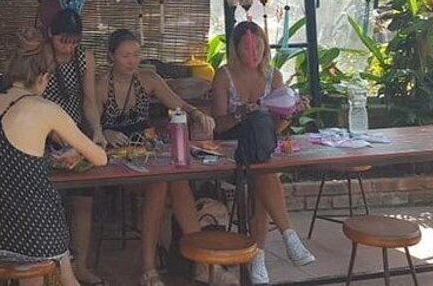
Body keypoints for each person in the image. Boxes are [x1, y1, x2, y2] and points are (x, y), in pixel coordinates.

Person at [0, 28, 108, 286]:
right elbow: (99, 158)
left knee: (64, 274)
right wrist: (78, 150)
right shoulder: (45, 109)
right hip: (37, 226)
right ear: (43, 78)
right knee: (62, 273)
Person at [95, 29, 234, 286]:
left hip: (147, 154)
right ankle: (150, 268)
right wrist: (104, 131)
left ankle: (200, 264)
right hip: (116, 162)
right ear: (111, 56)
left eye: (136, 55)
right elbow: (88, 125)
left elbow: (179, 103)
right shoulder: (101, 86)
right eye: (125, 56)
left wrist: (197, 114)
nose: (132, 61)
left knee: (174, 180)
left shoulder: (147, 79)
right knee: (161, 181)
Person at [211, 21, 315, 285]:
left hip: (260, 151)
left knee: (262, 160)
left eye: (258, 46)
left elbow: (276, 127)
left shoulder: (274, 76)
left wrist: (291, 112)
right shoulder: (224, 76)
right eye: (246, 48)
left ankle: (259, 258)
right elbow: (218, 125)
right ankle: (281, 240)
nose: (253, 53)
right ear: (235, 50)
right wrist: (242, 112)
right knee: (262, 155)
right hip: (232, 149)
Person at [42, 9, 105, 284]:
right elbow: (36, 100)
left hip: (76, 133)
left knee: (83, 201)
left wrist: (97, 132)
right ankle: (51, 270)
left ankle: (80, 265)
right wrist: (55, 134)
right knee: (51, 201)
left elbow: (89, 100)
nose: (68, 47)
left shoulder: (84, 58)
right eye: (62, 41)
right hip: (45, 135)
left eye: (73, 41)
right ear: (50, 36)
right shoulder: (42, 57)